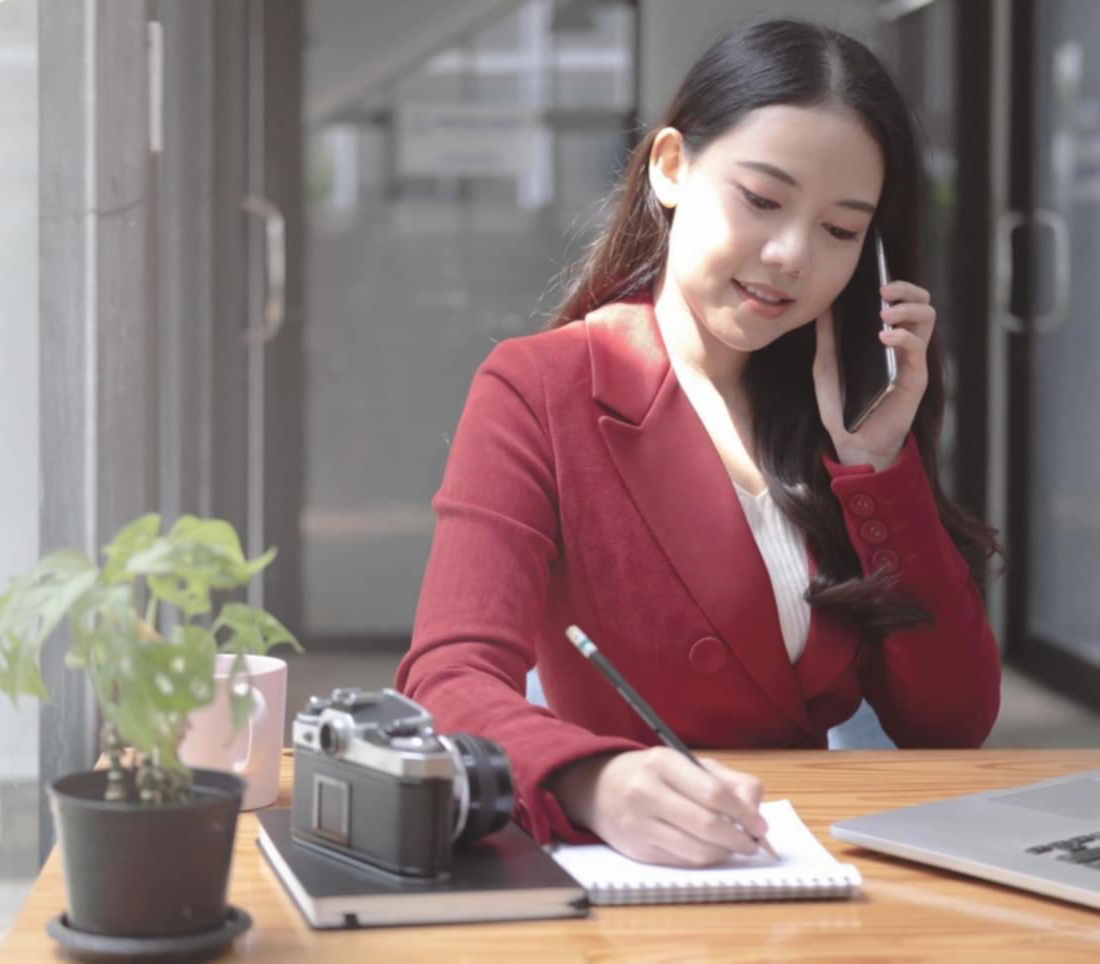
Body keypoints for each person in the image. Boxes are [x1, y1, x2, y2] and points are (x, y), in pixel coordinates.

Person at [395, 16, 1001, 869]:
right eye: (760, 200)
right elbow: (447, 678)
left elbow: (950, 723)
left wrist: (878, 470)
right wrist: (591, 781)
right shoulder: (540, 388)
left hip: (805, 856)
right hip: (625, 864)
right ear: (672, 167)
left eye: (839, 231)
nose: (791, 255)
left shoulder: (837, 415)